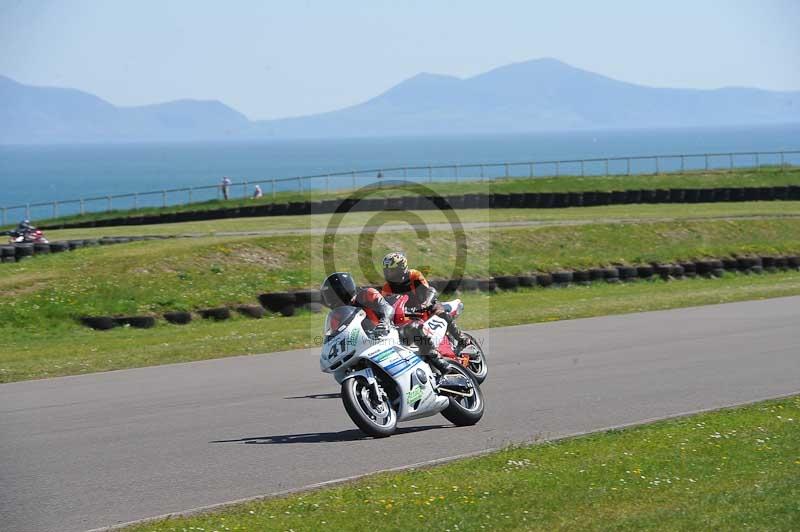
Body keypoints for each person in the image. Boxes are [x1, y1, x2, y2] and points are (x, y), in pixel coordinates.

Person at [320, 271, 449, 373]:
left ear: (342, 290)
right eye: (328, 297)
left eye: (331, 295)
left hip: (388, 333)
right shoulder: (338, 315)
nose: (330, 300)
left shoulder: (366, 294)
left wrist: (384, 322)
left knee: (413, 328)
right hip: (365, 343)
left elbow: (387, 308)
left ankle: (437, 360)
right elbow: (336, 334)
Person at [380, 251, 472, 351]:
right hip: (407, 315)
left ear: (402, 268)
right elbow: (387, 306)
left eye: (392, 271)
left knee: (439, 312)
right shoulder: (386, 288)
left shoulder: (414, 275)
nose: (389, 274)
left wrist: (426, 304)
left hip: (425, 307)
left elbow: (429, 290)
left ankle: (462, 338)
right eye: (387, 271)